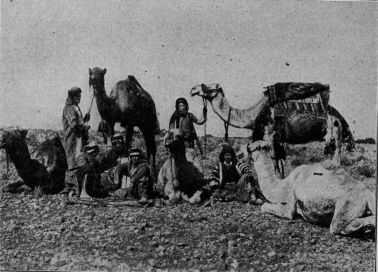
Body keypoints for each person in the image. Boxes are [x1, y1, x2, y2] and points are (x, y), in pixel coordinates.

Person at [169, 97, 207, 170]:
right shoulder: (175, 117)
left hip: (190, 144)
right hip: (180, 144)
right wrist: (177, 132)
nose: (182, 107)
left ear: (186, 106)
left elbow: (200, 121)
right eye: (180, 106)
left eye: (183, 105)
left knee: (192, 162)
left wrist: (204, 113)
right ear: (177, 107)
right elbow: (171, 129)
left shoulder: (190, 115)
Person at [62, 86, 90, 170]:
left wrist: (85, 119)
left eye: (79, 96)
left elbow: (78, 122)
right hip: (73, 138)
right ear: (72, 97)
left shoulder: (76, 107)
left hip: (79, 138)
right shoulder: (69, 108)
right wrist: (84, 127)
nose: (79, 98)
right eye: (77, 96)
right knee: (73, 161)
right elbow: (74, 125)